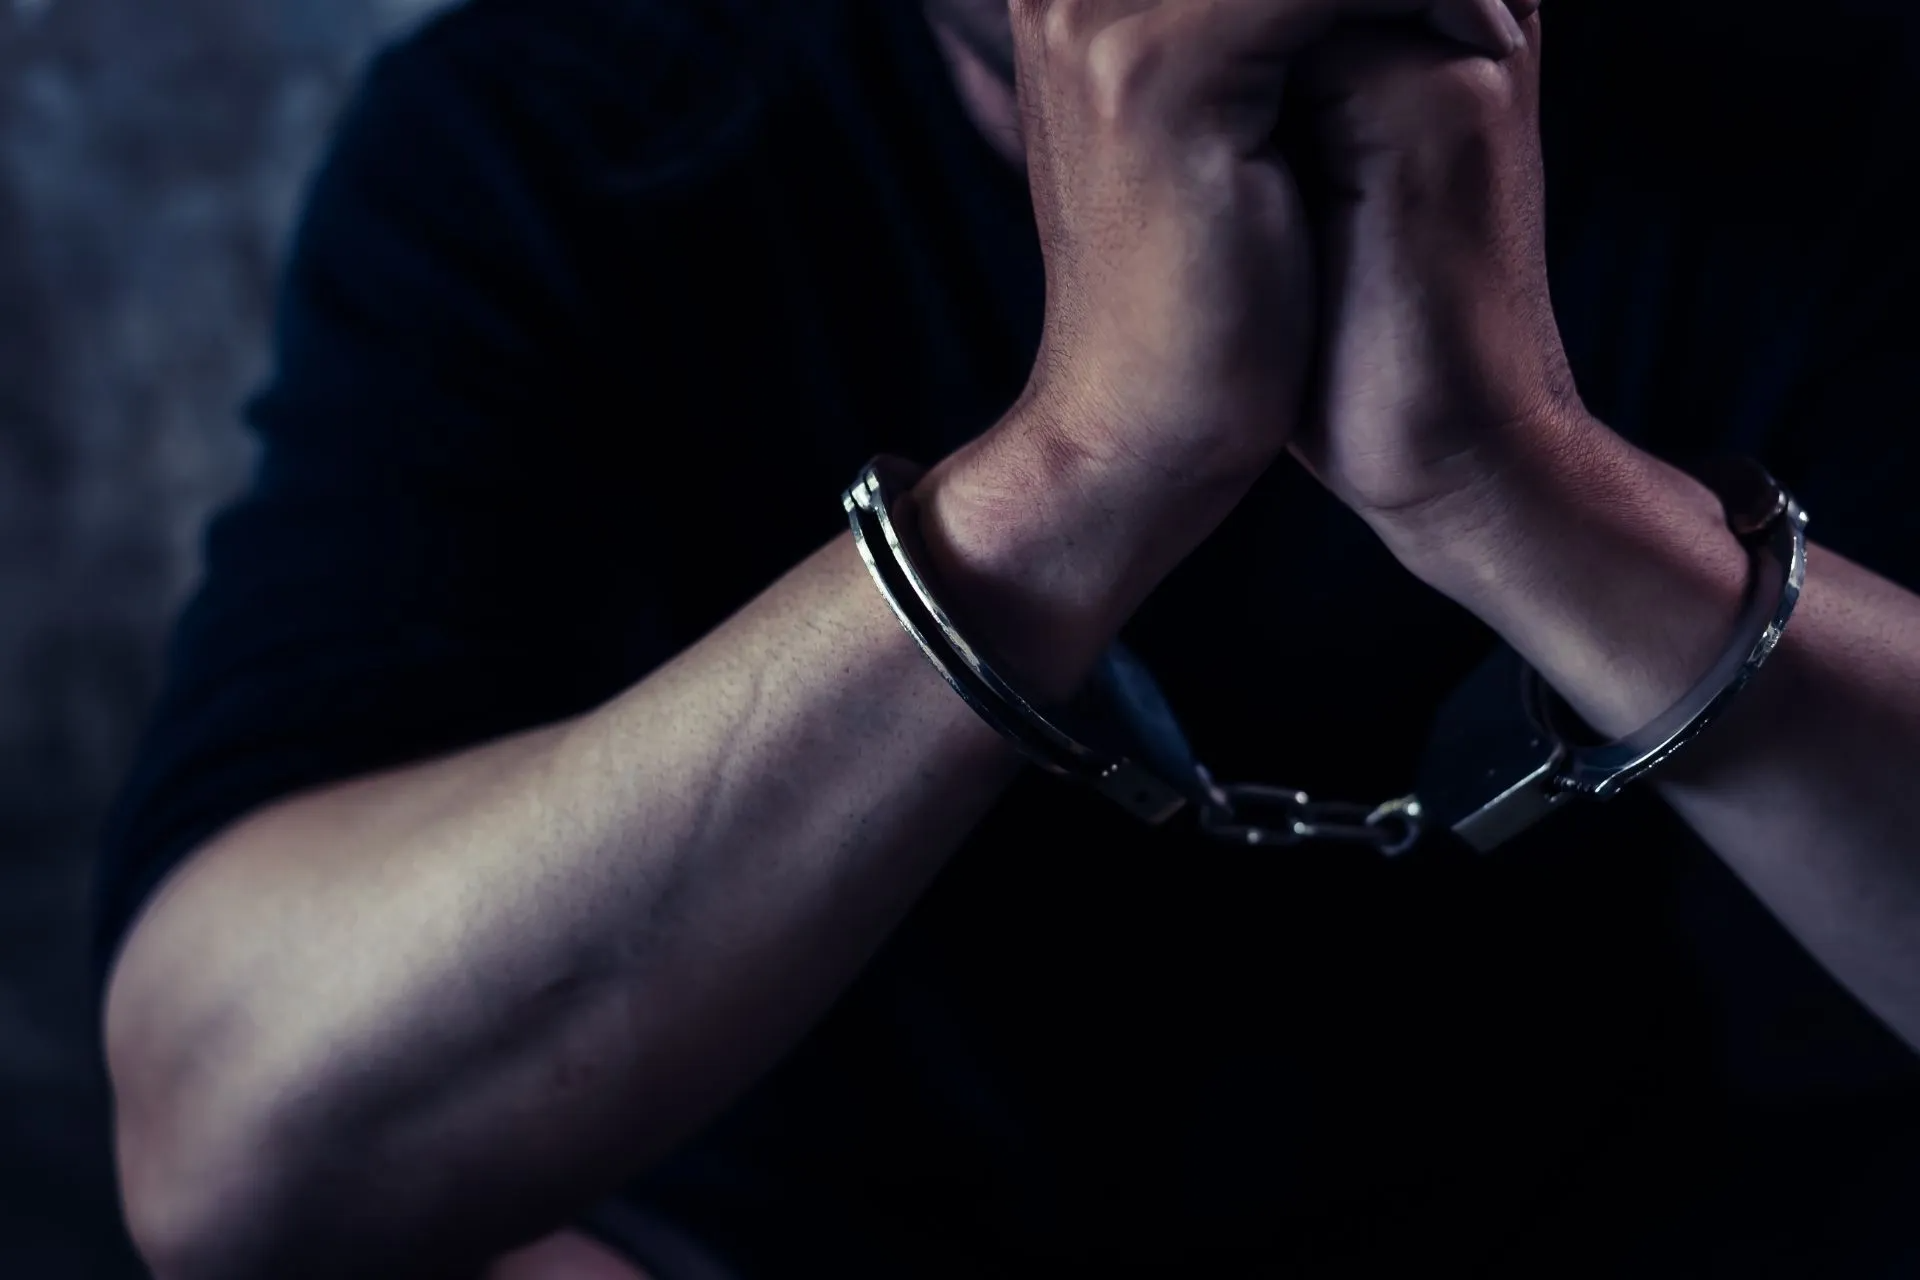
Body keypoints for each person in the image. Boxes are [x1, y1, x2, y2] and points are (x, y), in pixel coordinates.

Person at [93, 0, 1920, 1275]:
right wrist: (1083, 473)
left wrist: (1508, 485)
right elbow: (235, 1149)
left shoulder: (1822, 112)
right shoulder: (568, 139)